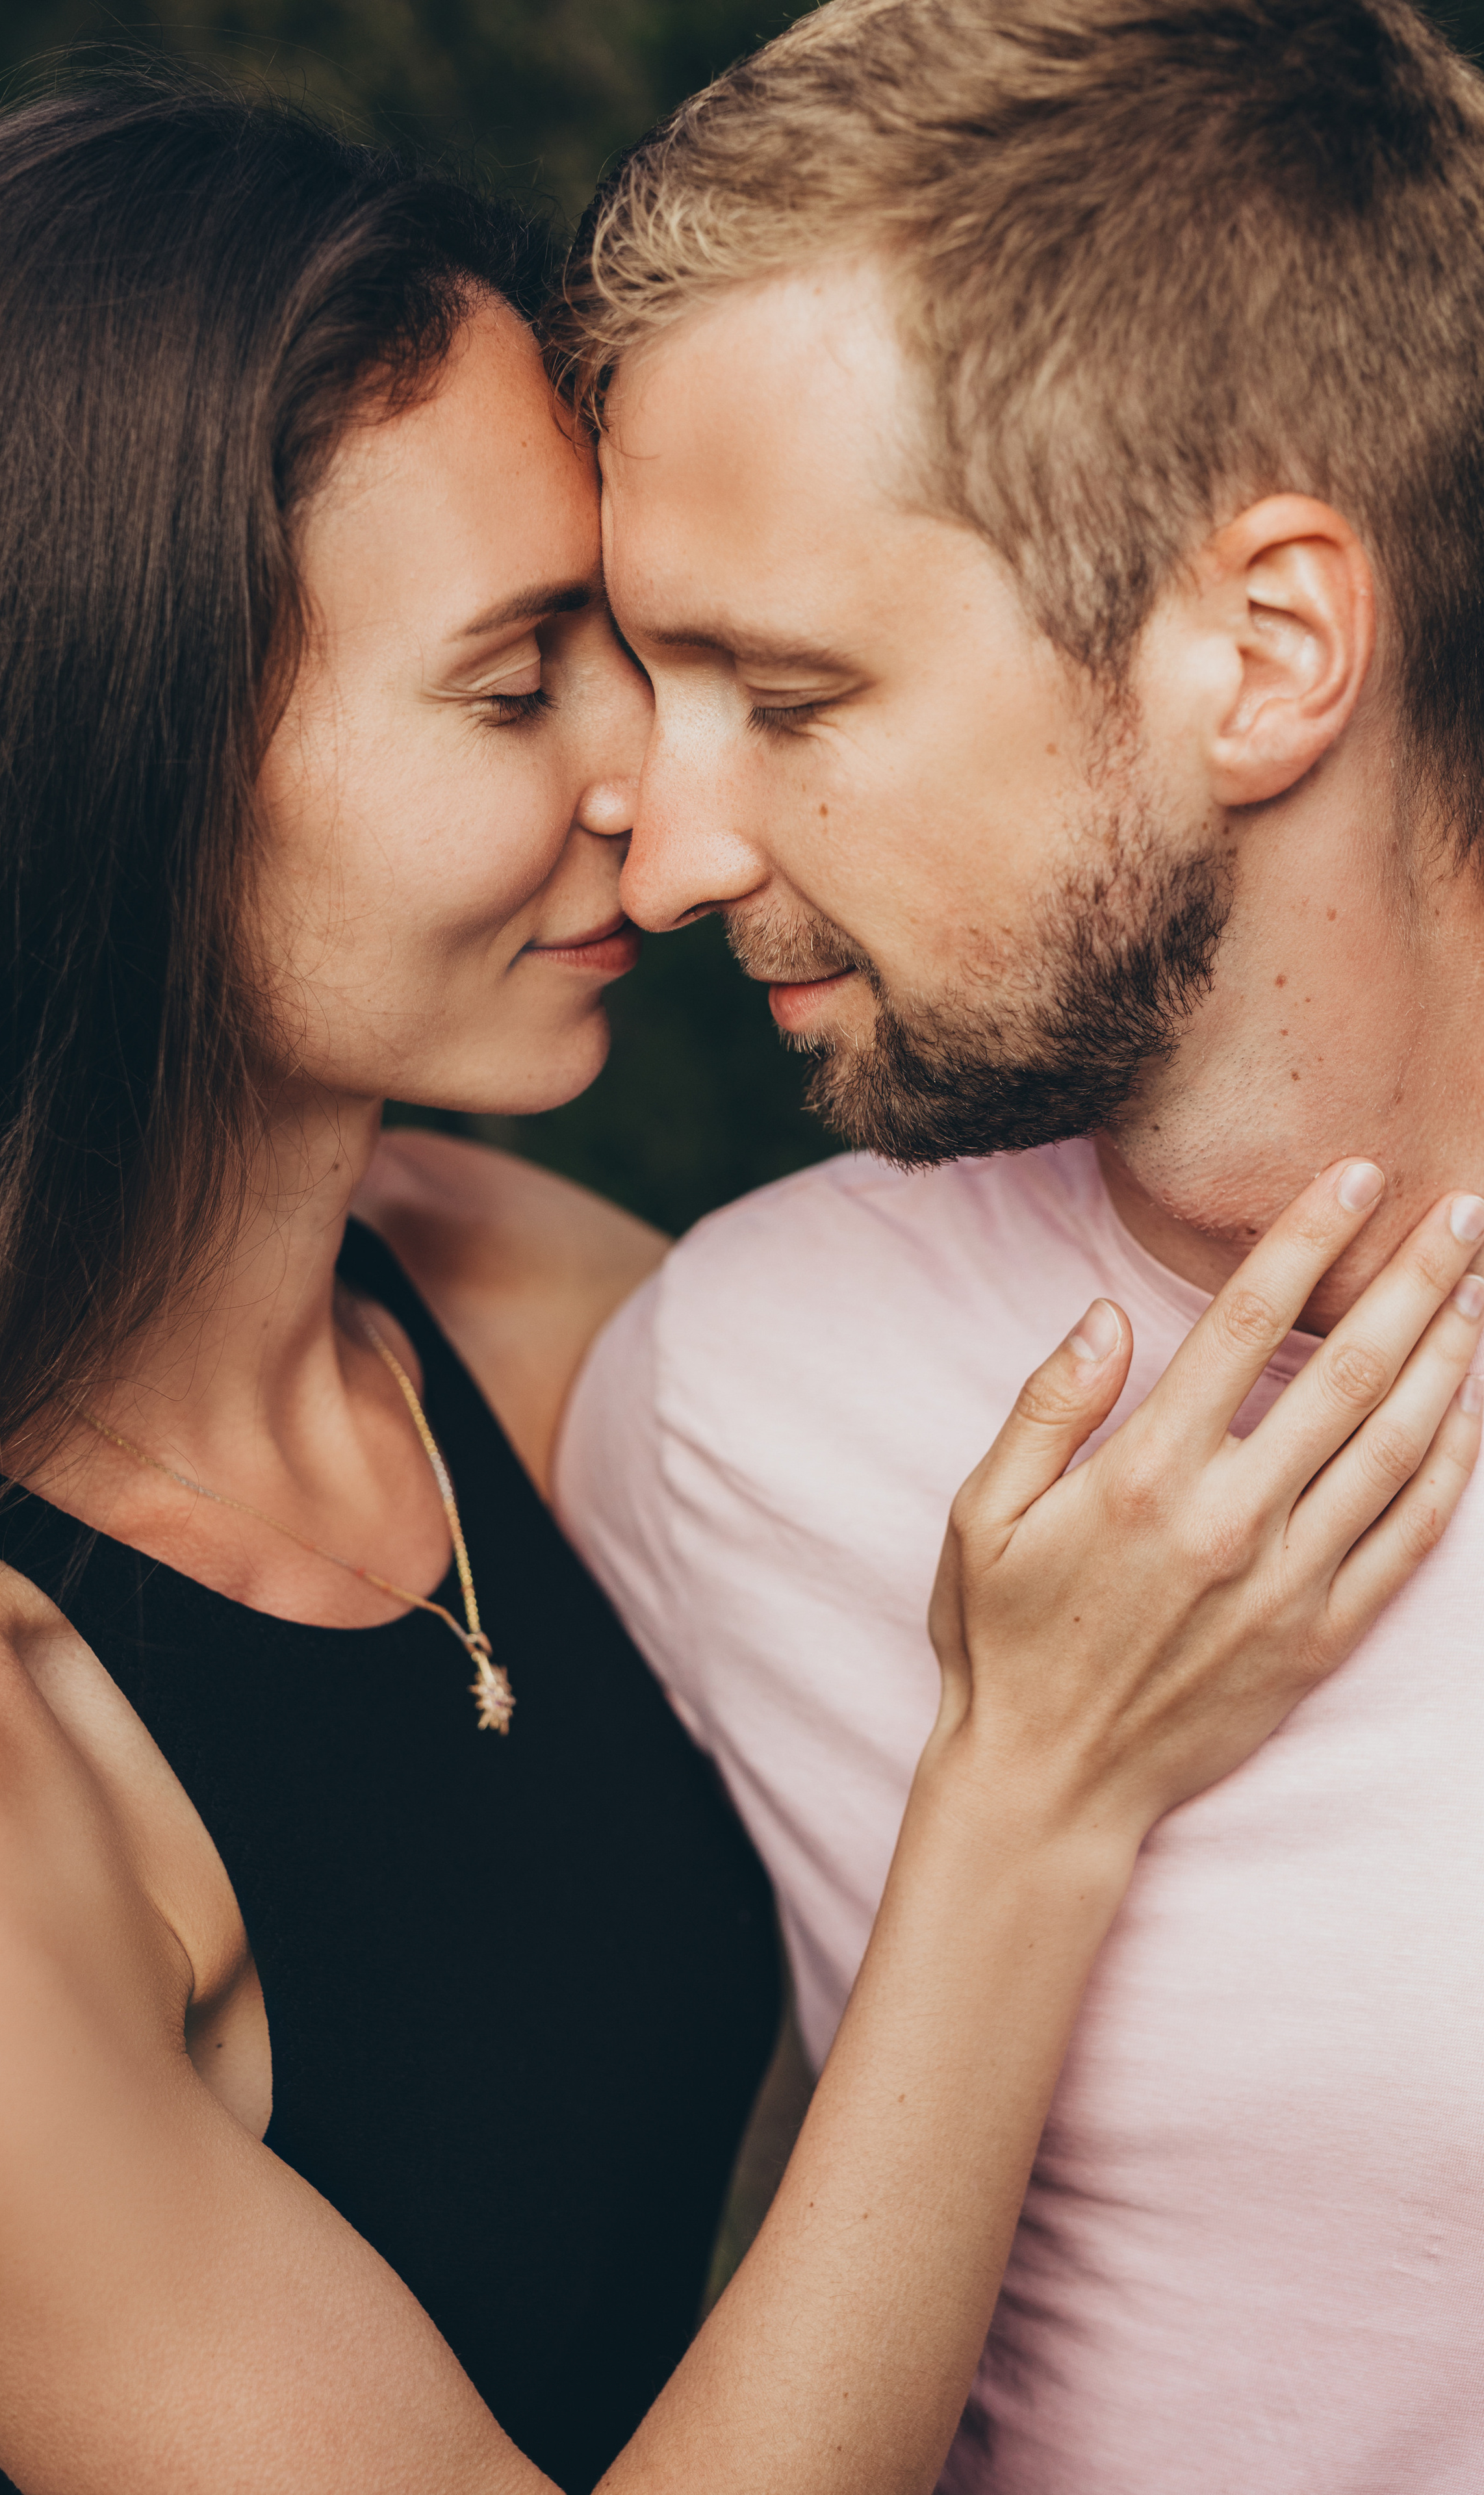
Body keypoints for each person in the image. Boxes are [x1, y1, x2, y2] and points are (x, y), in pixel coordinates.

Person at [0, 60, 1475, 2495]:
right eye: (524, 684)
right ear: (116, 772)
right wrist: (1030, 1792)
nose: (668, 818)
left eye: (722, 673)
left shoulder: (544, 1327)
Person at [550, 1, 1484, 2487]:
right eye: (659, 678)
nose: (668, 853)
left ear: (1266, 651)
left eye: (788, 688)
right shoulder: (720, 1408)